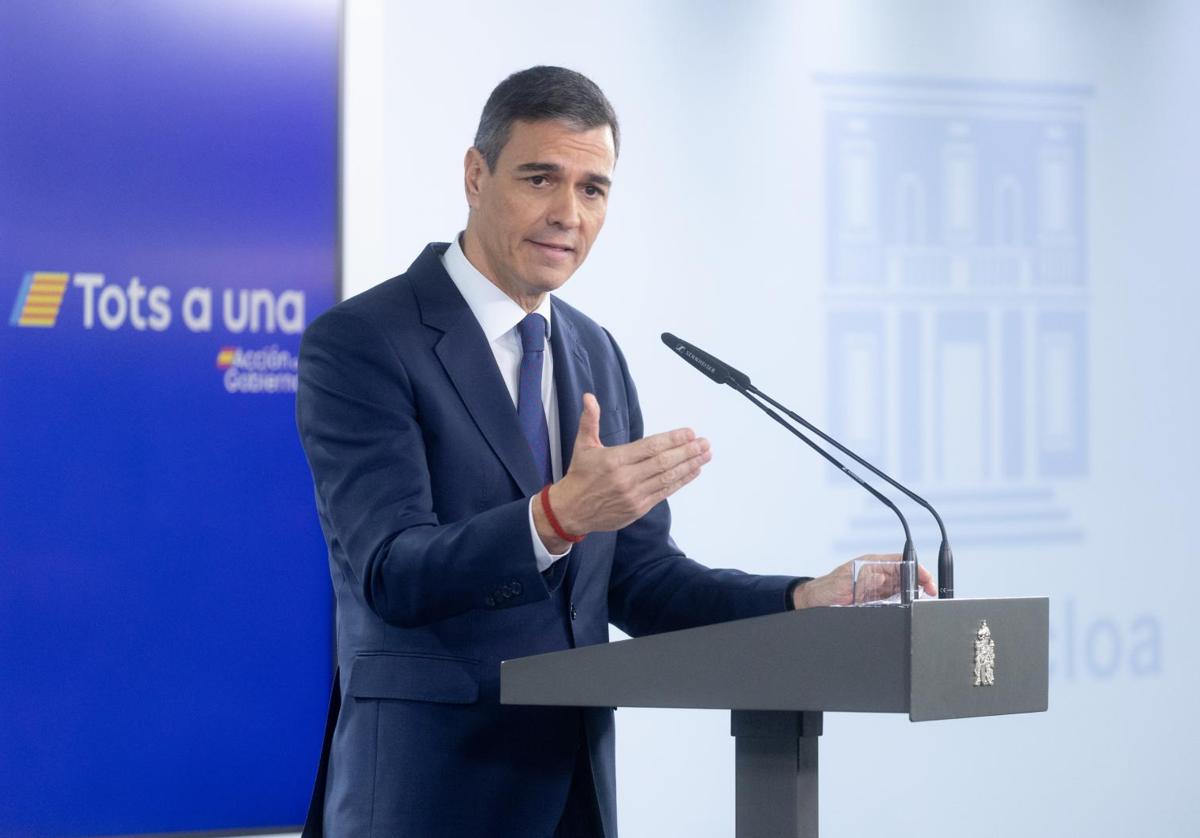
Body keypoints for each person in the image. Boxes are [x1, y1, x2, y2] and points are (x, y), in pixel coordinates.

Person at [295, 65, 934, 838]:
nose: (568, 213)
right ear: (475, 174)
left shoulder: (593, 352)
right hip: (426, 794)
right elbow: (391, 572)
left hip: (572, 795)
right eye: (541, 178)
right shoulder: (366, 341)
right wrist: (553, 519)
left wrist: (799, 600)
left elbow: (643, 581)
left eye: (593, 190)